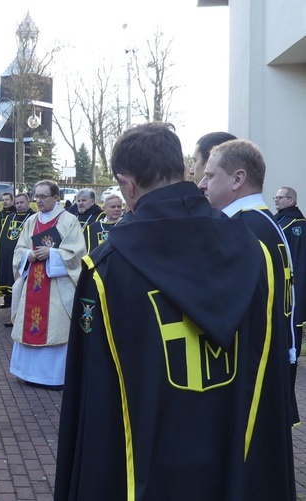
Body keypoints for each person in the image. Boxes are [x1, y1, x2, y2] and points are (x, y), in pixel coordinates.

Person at [56, 123, 294, 501]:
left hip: (150, 473)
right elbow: (270, 385)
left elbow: (96, 414)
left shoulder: (106, 271)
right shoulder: (254, 254)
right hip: (235, 466)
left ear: (126, 184)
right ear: (185, 172)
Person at [200, 139, 299, 426]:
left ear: (238, 179)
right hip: (269, 364)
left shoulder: (237, 230)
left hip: (245, 376)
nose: (203, 185)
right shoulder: (266, 223)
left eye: (210, 175)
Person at [9, 180, 85, 388]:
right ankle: (28, 373)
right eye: (37, 196)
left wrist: (51, 254)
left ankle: (53, 378)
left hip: (56, 286)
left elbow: (77, 253)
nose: (39, 200)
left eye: (43, 196)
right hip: (33, 281)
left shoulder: (69, 221)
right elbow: (19, 249)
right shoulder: (31, 221)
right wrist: (29, 254)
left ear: (55, 197)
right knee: (29, 323)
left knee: (56, 328)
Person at [274, 186, 306, 416]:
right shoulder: (275, 222)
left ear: (291, 200)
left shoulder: (298, 227)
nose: (276, 200)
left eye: (280, 197)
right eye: (275, 197)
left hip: (292, 299)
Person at [0, 193, 34, 321]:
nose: (19, 205)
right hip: (9, 256)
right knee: (10, 281)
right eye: (17, 203)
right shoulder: (10, 217)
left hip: (25, 256)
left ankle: (21, 314)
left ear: (28, 202)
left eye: (22, 202)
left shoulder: (34, 217)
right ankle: (11, 308)